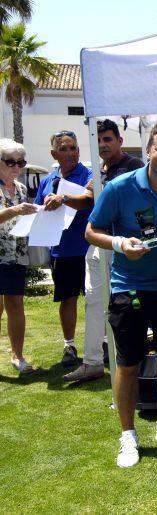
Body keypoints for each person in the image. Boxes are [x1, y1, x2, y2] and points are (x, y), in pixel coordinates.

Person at [86, 120, 157, 468]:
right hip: (128, 287)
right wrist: (119, 243)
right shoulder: (119, 187)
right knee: (128, 362)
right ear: (148, 150)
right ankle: (127, 434)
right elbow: (92, 230)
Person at [64, 119, 145, 383]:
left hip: (124, 245)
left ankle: (131, 357)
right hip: (99, 243)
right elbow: (87, 199)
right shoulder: (98, 170)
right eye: (98, 140)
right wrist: (63, 199)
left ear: (120, 141)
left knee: (127, 303)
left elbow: (141, 204)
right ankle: (92, 362)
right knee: (93, 301)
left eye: (108, 139)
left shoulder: (133, 167)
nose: (103, 145)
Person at [35, 131, 93, 368]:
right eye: (65, 149)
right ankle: (69, 345)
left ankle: (100, 342)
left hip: (89, 248)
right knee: (67, 300)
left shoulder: (89, 175)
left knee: (95, 300)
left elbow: (89, 200)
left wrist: (64, 198)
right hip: (62, 250)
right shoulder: (47, 180)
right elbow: (39, 209)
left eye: (74, 148)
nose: (71, 153)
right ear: (54, 153)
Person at [0, 139, 38, 374]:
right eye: (10, 161)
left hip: (17, 254)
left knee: (15, 304)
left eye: (21, 162)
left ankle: (18, 355)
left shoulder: (22, 189)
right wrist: (14, 210)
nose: (16, 166)